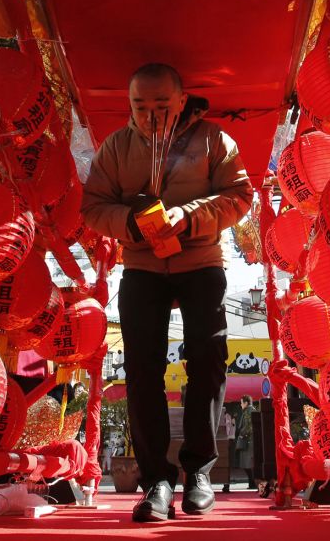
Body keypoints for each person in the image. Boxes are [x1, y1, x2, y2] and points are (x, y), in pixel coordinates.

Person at [82, 63, 254, 522]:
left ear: (181, 101)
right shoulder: (117, 146)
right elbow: (93, 207)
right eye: (140, 106)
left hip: (200, 261)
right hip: (140, 264)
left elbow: (239, 196)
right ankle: (156, 480)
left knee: (208, 360)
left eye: (161, 106)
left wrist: (190, 216)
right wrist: (130, 224)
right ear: (129, 104)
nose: (150, 115)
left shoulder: (215, 140)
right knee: (140, 371)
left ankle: (199, 473)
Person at [233, 395, 256, 490]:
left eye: (242, 402)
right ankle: (252, 482)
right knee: (247, 463)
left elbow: (248, 426)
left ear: (246, 403)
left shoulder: (248, 411)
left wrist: (242, 433)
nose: (241, 404)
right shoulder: (249, 410)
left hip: (248, 441)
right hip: (249, 440)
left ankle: (252, 482)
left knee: (247, 463)